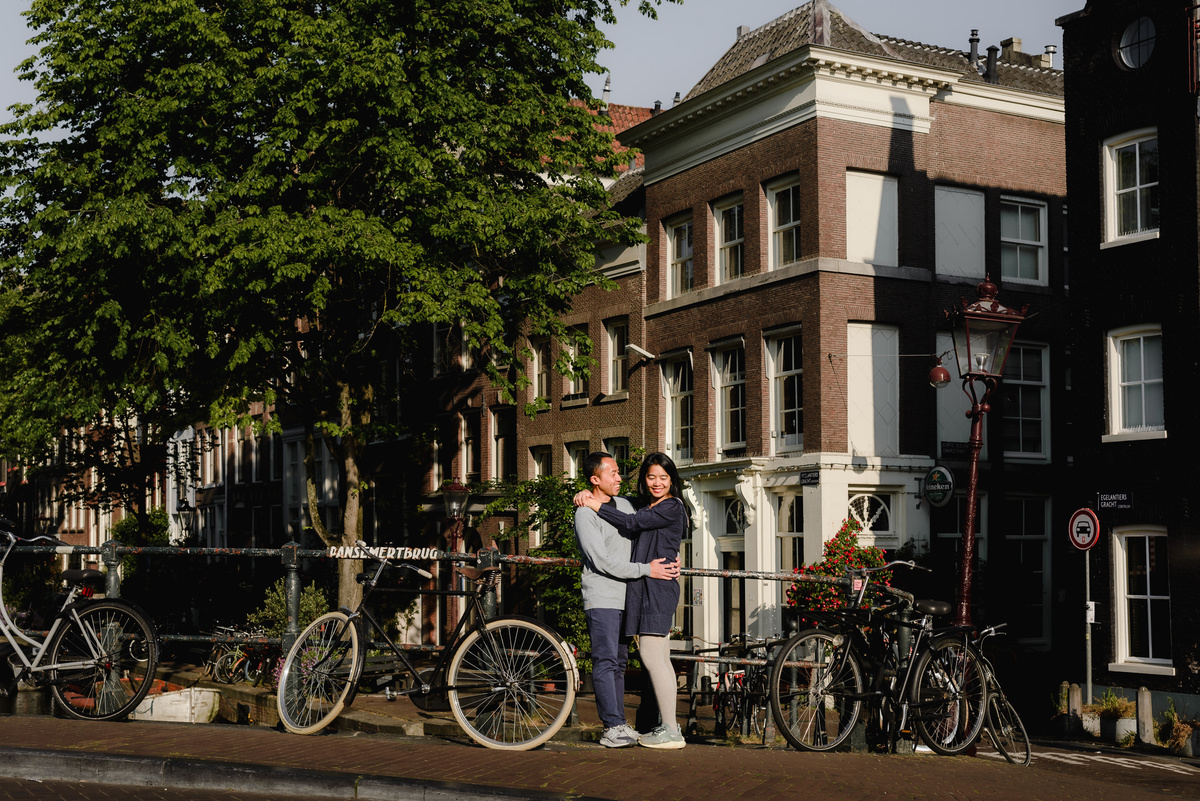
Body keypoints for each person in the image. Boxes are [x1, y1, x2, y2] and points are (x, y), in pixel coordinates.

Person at [576, 451, 688, 750]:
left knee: (633, 660)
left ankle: (665, 727)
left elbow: (635, 521)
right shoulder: (586, 512)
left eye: (663, 477)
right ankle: (614, 725)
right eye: (612, 472)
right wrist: (587, 497)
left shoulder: (629, 504)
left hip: (637, 591)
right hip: (608, 594)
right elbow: (601, 558)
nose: (619, 477)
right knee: (609, 660)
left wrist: (671, 558)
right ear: (595, 479)